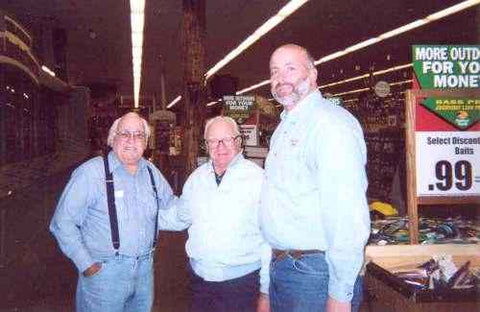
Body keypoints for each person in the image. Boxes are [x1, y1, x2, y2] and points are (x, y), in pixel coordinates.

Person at [259, 43, 371, 312]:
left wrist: (340, 294)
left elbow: (347, 215)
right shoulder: (284, 128)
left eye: (290, 68)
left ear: (312, 75)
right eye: (275, 71)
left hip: (315, 276)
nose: (280, 78)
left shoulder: (330, 126)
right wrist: (266, 286)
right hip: (285, 270)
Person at [50, 112, 175, 312]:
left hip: (144, 272)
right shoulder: (90, 173)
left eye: (139, 135)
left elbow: (172, 207)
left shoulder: (152, 172)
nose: (132, 140)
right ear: (112, 138)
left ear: (146, 142)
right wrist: (87, 264)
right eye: (125, 133)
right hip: (105, 276)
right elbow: (62, 222)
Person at [158, 116, 271, 312]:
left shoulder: (258, 180)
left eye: (226, 139)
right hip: (199, 283)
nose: (220, 147)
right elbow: (179, 216)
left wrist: (265, 291)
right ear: (206, 145)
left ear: (238, 141)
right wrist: (145, 216)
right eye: (213, 141)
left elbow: (269, 239)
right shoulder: (197, 179)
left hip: (241, 285)